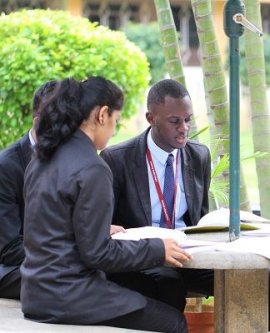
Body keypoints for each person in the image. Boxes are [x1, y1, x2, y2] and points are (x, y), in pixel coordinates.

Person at [100, 78, 270, 323]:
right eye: (175, 121)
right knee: (168, 284)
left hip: (190, 256)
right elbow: (108, 229)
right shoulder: (117, 160)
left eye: (187, 120)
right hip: (145, 258)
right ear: (151, 118)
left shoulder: (198, 156)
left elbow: (200, 218)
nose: (184, 128)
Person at [21, 77, 189, 333]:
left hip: (36, 293)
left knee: (153, 292)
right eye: (115, 121)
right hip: (70, 295)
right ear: (102, 115)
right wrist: (157, 249)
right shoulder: (92, 168)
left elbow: (52, 224)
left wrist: (100, 229)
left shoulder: (42, 157)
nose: (113, 131)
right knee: (173, 321)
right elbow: (99, 254)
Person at [0, 80, 58, 299]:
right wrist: (68, 249)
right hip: (12, 266)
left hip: (49, 258)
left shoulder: (67, 158)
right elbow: (8, 249)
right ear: (38, 122)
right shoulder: (7, 166)